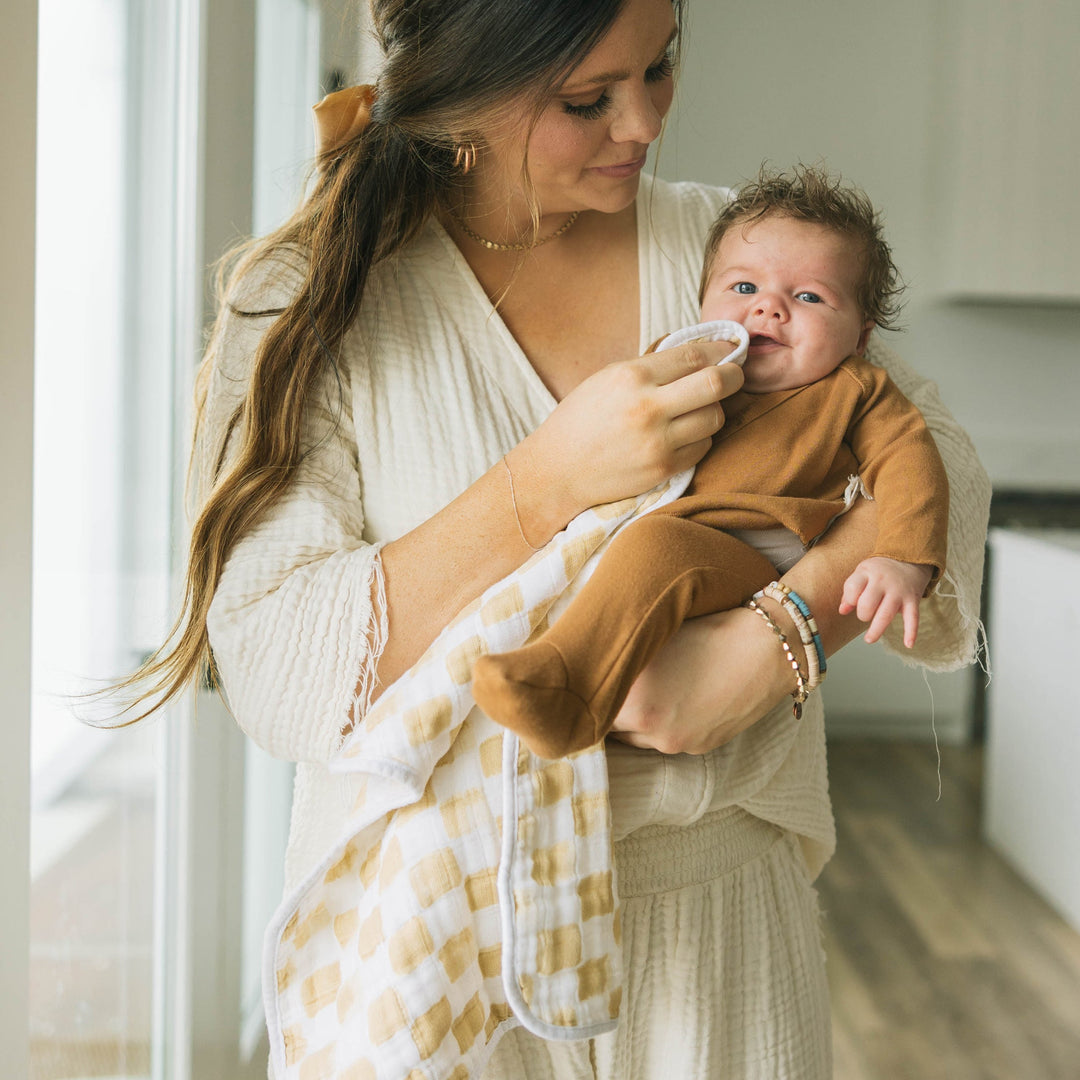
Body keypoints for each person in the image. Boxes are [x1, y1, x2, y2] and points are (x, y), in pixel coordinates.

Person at [123, 0, 989, 1076]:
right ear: (460, 83)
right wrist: (548, 481)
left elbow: (937, 461)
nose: (644, 125)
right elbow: (283, 669)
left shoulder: (735, 259)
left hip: (709, 942)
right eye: (588, 99)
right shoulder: (307, 305)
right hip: (435, 949)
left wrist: (776, 641)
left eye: (660, 66)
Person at [472, 167, 949, 760]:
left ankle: (571, 693)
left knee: (657, 552)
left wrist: (904, 558)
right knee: (628, 561)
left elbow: (912, 464)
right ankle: (568, 669)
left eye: (808, 297)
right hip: (672, 528)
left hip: (757, 547)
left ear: (859, 335)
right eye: (744, 289)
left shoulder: (857, 388)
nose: (769, 309)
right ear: (705, 303)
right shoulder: (690, 361)